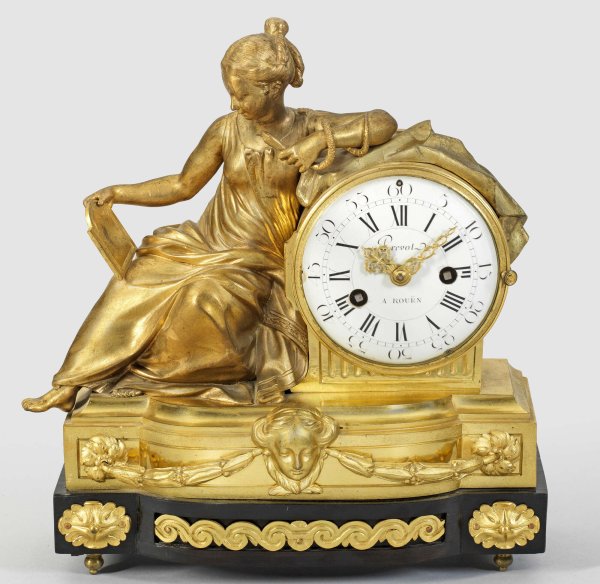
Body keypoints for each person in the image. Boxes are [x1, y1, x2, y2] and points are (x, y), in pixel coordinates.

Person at [22, 17, 398, 413]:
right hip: (204, 243)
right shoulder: (225, 129)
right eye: (230, 93)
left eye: (241, 94)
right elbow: (182, 184)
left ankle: (152, 377)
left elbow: (383, 123)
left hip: (257, 261)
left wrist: (320, 141)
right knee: (133, 279)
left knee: (202, 299)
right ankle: (72, 382)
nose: (234, 104)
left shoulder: (309, 125)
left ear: (271, 89)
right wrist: (119, 193)